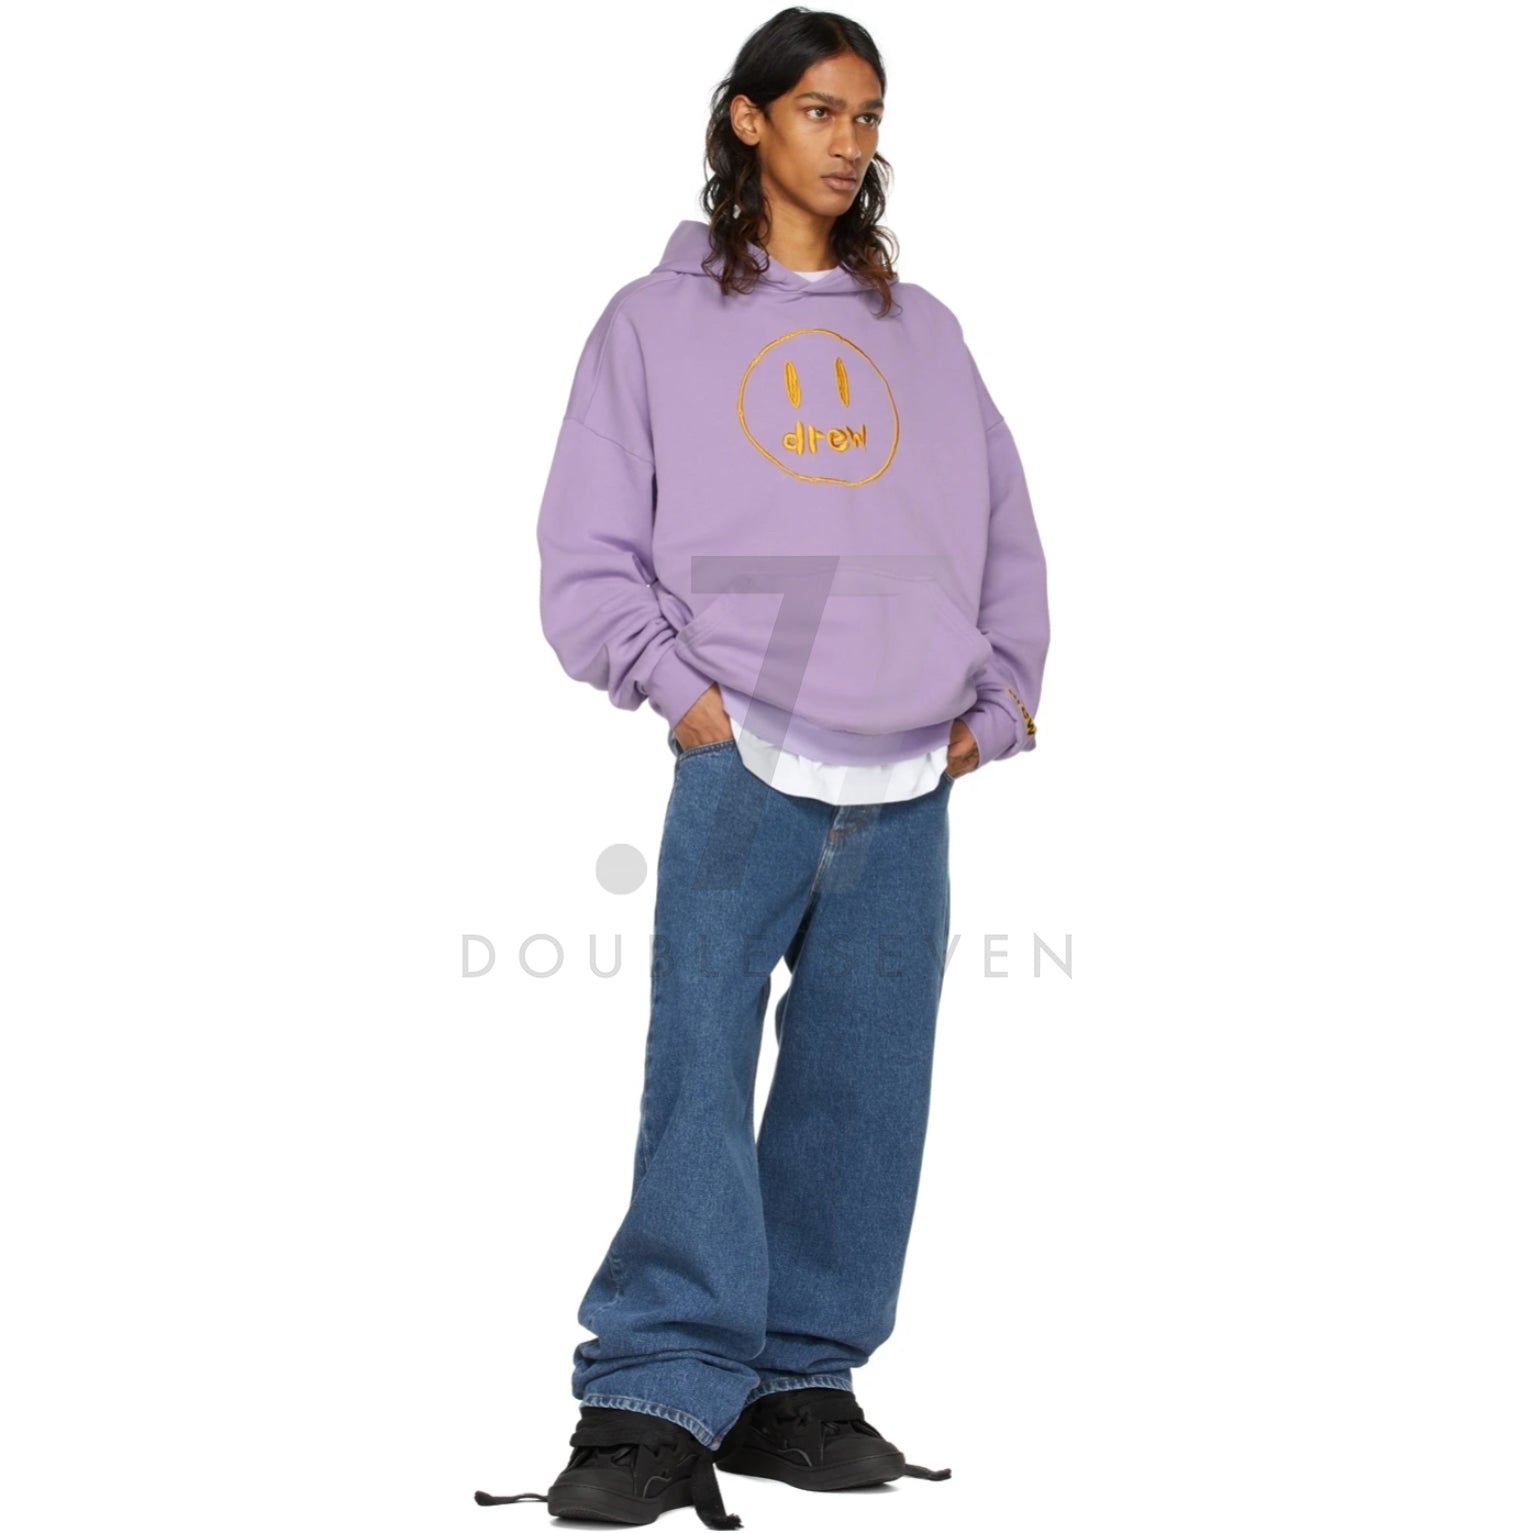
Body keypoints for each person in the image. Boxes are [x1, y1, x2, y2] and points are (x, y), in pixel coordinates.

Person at [474, 8, 1049, 1526]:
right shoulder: (652, 324)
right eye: (819, 111)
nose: (850, 142)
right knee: (700, 1072)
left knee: (869, 1084)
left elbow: (1003, 524)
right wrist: (676, 691)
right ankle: (655, 1391)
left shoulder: (924, 333)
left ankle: (795, 1381)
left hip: (909, 771)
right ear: (747, 119)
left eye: (869, 116)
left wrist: (998, 702)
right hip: (745, 748)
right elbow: (587, 540)